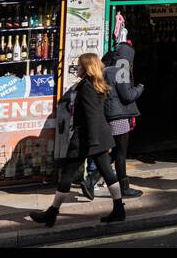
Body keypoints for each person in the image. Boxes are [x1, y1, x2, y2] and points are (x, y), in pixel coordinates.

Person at [31, 53, 123, 227]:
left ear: (87, 68)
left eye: (80, 66)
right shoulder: (93, 84)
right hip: (97, 137)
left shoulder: (87, 86)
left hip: (87, 139)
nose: (77, 68)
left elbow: (92, 116)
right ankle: (119, 209)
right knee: (108, 174)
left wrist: (93, 142)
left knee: (67, 174)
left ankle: (52, 213)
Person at [84, 27, 145, 200]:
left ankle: (92, 179)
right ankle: (122, 187)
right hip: (119, 117)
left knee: (115, 151)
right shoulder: (121, 70)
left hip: (107, 115)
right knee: (121, 153)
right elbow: (127, 96)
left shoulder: (105, 69)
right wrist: (140, 88)